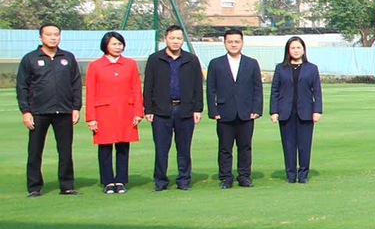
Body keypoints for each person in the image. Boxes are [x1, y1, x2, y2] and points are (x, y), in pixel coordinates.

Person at [17, 22, 82, 197]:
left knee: (65, 151)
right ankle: (34, 187)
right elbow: (22, 86)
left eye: (56, 34)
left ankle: (67, 186)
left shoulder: (68, 58)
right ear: (41, 37)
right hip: (38, 112)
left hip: (64, 111)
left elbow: (76, 84)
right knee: (35, 151)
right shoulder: (30, 59)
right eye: (49, 34)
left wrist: (76, 107)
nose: (53, 38)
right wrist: (26, 111)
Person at [142, 25, 202, 191]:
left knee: (184, 149)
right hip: (161, 111)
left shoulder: (191, 59)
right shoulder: (155, 59)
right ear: (165, 39)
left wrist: (197, 109)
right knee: (161, 149)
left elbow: (197, 86)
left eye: (179, 38)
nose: (176, 41)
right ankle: (160, 181)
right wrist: (148, 109)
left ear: (183, 40)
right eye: (172, 38)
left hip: (185, 110)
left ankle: (184, 180)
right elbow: (148, 86)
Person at [84, 30, 142, 194]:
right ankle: (108, 181)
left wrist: (138, 112)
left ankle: (121, 180)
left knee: (123, 146)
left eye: (120, 44)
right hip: (104, 112)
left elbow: (136, 88)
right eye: (114, 44)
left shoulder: (130, 64)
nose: (118, 47)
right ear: (106, 46)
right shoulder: (95, 66)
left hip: (125, 111)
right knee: (105, 147)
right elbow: (90, 92)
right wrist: (91, 117)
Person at [204, 28, 261, 189]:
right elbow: (210, 89)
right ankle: (226, 177)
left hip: (246, 112)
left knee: (245, 147)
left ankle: (244, 176)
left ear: (242, 43)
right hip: (224, 112)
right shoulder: (216, 63)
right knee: (225, 148)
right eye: (230, 42)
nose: (233, 44)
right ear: (225, 43)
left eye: (237, 41)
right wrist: (213, 111)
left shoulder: (251, 63)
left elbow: (257, 88)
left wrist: (257, 109)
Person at [268, 36, 324, 185]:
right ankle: (291, 175)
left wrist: (317, 110)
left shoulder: (312, 68)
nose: (296, 50)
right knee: (288, 145)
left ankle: (303, 174)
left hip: (305, 112)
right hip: (286, 112)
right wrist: (274, 111)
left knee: (305, 145)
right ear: (288, 50)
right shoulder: (281, 68)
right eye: (293, 48)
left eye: (298, 47)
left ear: (303, 50)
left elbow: (317, 91)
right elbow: (275, 91)